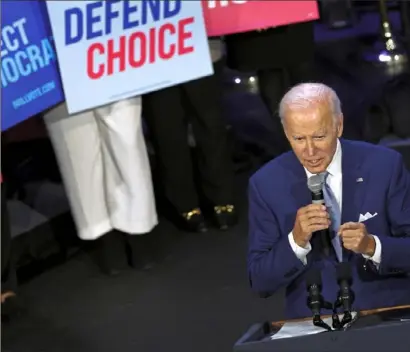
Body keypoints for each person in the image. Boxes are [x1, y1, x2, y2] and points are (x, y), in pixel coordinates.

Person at [248, 83, 410, 319]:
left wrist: (372, 246)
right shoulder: (266, 184)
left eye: (319, 136)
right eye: (299, 139)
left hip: (385, 310)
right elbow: (260, 281)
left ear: (339, 125)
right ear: (286, 132)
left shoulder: (384, 166)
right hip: (315, 318)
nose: (310, 151)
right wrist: (296, 241)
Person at [43, 97, 158, 275]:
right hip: (55, 76)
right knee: (77, 153)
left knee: (127, 143)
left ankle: (138, 230)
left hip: (113, 74)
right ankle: (107, 240)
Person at [143, 38, 237, 233]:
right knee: (166, 131)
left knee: (211, 126)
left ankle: (222, 197)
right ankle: (184, 202)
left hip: (200, 43)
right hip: (151, 54)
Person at [225, 21, 315, 158]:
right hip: (262, 24)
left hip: (292, 18)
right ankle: (293, 148)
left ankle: (314, 143)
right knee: (273, 87)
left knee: (303, 84)